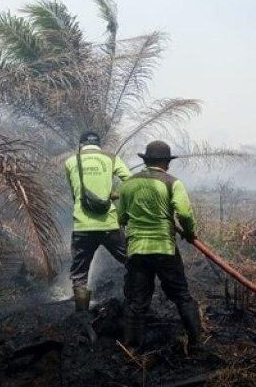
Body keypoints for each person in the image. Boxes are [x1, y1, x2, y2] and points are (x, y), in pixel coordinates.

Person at [117, 140, 202, 353]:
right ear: (166, 162)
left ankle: (133, 349)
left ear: (146, 161)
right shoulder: (173, 183)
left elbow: (122, 217)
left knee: (136, 300)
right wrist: (190, 233)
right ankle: (196, 342)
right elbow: (184, 213)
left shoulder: (128, 184)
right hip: (164, 249)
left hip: (137, 250)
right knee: (182, 295)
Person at [65, 131, 131, 314]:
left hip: (82, 226)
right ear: (99, 145)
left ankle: (82, 318)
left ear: (81, 145)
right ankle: (134, 303)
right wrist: (115, 194)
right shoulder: (111, 158)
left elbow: (74, 193)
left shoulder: (71, 162)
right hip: (109, 224)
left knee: (79, 274)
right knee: (131, 261)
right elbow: (130, 182)